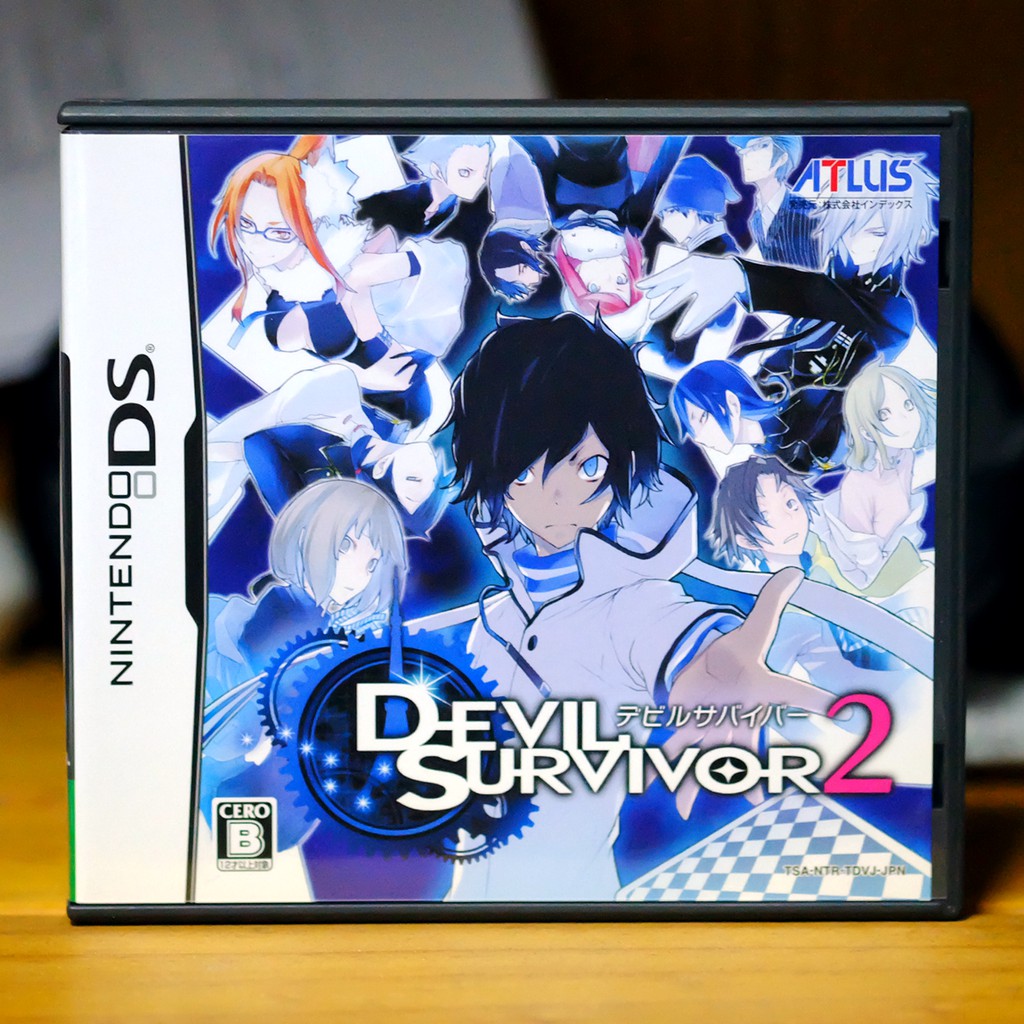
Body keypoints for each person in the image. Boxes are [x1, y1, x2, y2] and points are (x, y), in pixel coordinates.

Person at [430, 312, 840, 901]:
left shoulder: (626, 601)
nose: (556, 496)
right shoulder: (493, 623)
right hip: (468, 907)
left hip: (576, 911)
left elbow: (677, 636)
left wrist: (720, 673)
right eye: (523, 471)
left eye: (588, 466)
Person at [727, 135, 820, 269]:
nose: (747, 155)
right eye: (745, 150)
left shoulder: (807, 213)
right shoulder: (756, 218)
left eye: (760, 146)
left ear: (782, 158)